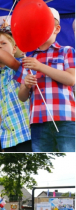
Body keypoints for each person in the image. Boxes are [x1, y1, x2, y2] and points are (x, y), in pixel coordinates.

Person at [16, 8, 75, 152]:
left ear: (57, 29)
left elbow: (71, 79)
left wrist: (40, 67)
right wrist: (26, 86)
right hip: (38, 120)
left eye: (45, 25)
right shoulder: (29, 58)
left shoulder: (67, 51)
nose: (40, 29)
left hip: (64, 117)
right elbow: (22, 97)